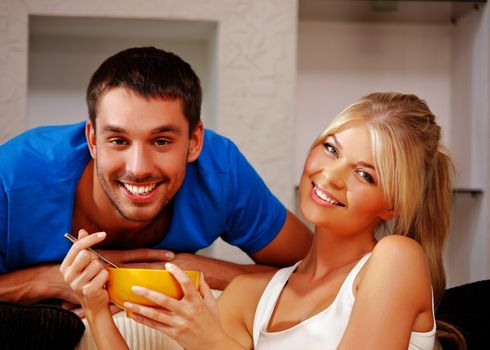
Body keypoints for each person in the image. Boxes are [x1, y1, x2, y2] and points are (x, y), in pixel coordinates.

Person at [61, 92, 467, 349]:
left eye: (365, 174)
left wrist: (210, 342)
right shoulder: (253, 295)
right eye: (330, 149)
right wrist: (96, 309)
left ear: (391, 206)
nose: (330, 176)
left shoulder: (396, 260)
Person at [0, 46, 313, 314]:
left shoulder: (221, 171)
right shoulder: (14, 174)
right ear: (92, 140)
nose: (138, 168)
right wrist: (43, 280)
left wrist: (201, 273)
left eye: (161, 141)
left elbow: (319, 272)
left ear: (194, 141)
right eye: (118, 141)